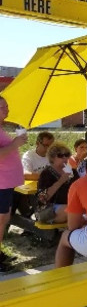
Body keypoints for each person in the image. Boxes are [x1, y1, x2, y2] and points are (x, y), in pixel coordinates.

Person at [0, 97, 27, 271]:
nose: (7, 110)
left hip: (7, 181)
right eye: (3, 107)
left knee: (4, 218)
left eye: (7, 107)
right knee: (1, 218)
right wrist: (16, 143)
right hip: (1, 182)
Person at [37, 142, 79, 224]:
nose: (65, 158)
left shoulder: (73, 171)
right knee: (71, 211)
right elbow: (42, 199)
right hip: (49, 209)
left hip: (70, 206)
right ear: (52, 158)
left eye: (67, 155)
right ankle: (70, 234)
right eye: (60, 155)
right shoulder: (46, 173)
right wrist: (61, 181)